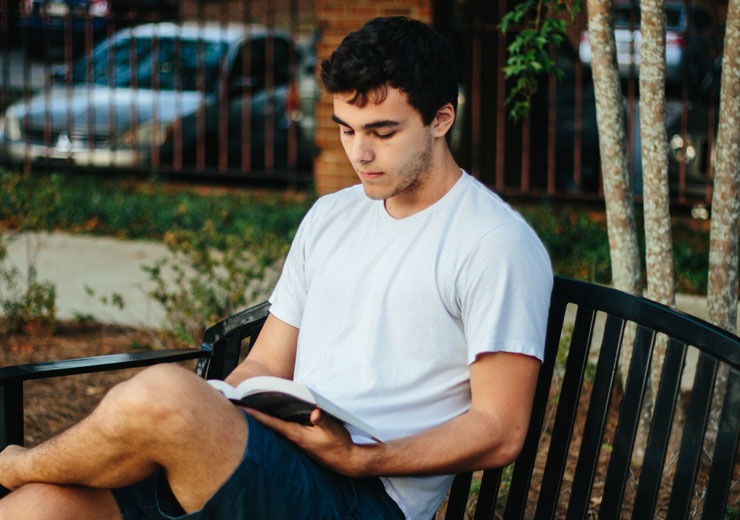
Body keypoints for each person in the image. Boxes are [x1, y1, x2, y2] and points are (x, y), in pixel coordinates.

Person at [0, 16, 552, 519]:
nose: (359, 153)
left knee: (161, 398)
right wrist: (218, 410)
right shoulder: (332, 215)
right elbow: (265, 360)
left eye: (382, 133)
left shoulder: (493, 243)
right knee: (36, 509)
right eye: (346, 128)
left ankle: (10, 465)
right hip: (275, 457)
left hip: (367, 497)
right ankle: (23, 479)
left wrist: (363, 459)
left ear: (441, 119)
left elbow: (499, 430)